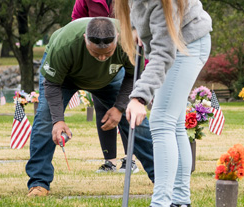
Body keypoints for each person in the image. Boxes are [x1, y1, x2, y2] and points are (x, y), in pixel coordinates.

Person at [116, 0, 212, 207]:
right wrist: (138, 31)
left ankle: (161, 204)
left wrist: (138, 98)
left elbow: (163, 54)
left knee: (161, 121)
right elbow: (138, 12)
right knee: (173, 124)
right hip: (172, 43)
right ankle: (180, 199)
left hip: (189, 44)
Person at [25, 17, 155, 197]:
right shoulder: (64, 45)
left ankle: (160, 178)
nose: (102, 58)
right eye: (96, 54)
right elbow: (52, 85)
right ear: (85, 38)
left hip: (110, 79)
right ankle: (39, 183)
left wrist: (119, 108)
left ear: (117, 38)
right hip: (64, 79)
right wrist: (58, 121)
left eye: (107, 54)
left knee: (135, 119)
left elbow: (133, 77)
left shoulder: (129, 42)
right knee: (45, 121)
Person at [71, 0, 136, 174]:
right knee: (101, 106)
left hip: (125, 56)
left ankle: (131, 158)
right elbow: (76, 20)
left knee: (125, 105)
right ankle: (109, 159)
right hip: (97, 57)